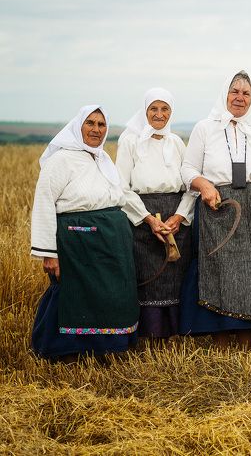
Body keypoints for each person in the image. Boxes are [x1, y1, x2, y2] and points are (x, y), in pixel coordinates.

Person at [179, 70, 251, 348]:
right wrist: (204, 185)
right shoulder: (205, 127)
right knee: (220, 272)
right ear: (224, 94)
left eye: (246, 93)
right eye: (235, 91)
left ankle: (247, 340)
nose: (240, 97)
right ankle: (221, 341)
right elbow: (187, 169)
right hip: (219, 206)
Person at [30, 105, 138, 361]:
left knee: (109, 294)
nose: (96, 129)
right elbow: (44, 202)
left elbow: (120, 196)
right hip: (77, 238)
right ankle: (61, 349)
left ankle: (105, 348)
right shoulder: (61, 160)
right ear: (78, 126)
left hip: (109, 238)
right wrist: (49, 253)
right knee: (74, 292)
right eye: (90, 123)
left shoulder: (103, 158)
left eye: (101, 125)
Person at [116, 87, 194, 341]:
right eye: (154, 109)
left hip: (175, 219)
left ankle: (174, 333)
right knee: (148, 275)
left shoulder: (177, 143)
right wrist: (148, 219)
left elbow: (190, 187)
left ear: (171, 113)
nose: (159, 115)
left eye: (165, 109)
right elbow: (122, 188)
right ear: (145, 111)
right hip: (142, 217)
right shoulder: (130, 142)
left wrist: (180, 217)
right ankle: (149, 334)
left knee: (175, 274)